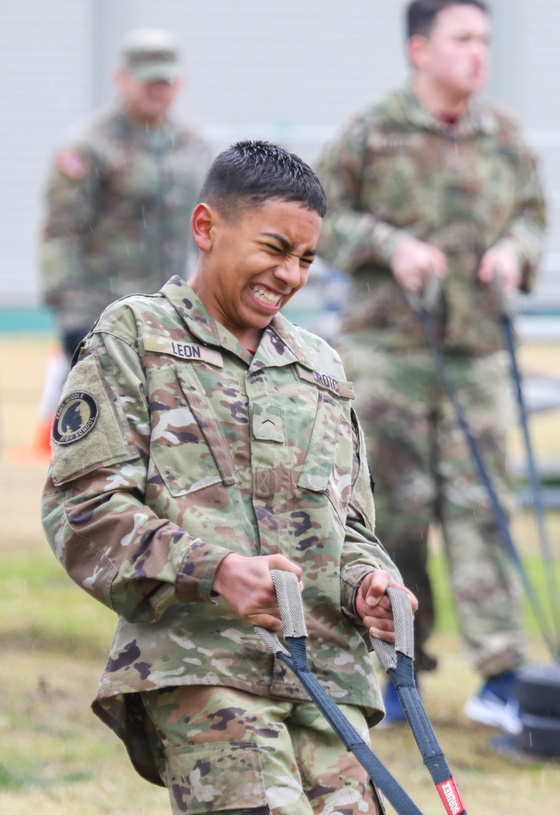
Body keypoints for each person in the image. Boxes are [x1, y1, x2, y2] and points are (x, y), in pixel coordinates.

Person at [41, 140, 415, 814]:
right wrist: (215, 571)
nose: (291, 274)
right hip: (204, 666)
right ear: (207, 227)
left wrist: (370, 585)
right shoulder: (137, 337)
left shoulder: (320, 365)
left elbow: (349, 525)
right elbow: (83, 508)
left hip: (328, 677)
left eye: (306, 258)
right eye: (275, 248)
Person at [314, 0, 547, 733]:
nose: (478, 52)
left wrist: (516, 252)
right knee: (395, 513)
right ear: (421, 49)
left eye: (484, 38)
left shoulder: (504, 136)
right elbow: (316, 217)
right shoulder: (371, 131)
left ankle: (502, 670)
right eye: (462, 38)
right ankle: (394, 665)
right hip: (388, 352)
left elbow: (533, 214)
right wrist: (389, 243)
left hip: (473, 351)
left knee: (483, 506)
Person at [39, 27, 210, 362]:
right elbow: (60, 233)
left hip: (173, 314)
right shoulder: (90, 145)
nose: (156, 91)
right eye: (147, 82)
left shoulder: (193, 146)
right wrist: (72, 319)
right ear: (122, 79)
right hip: (106, 315)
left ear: (179, 83)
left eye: (164, 82)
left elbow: (206, 228)